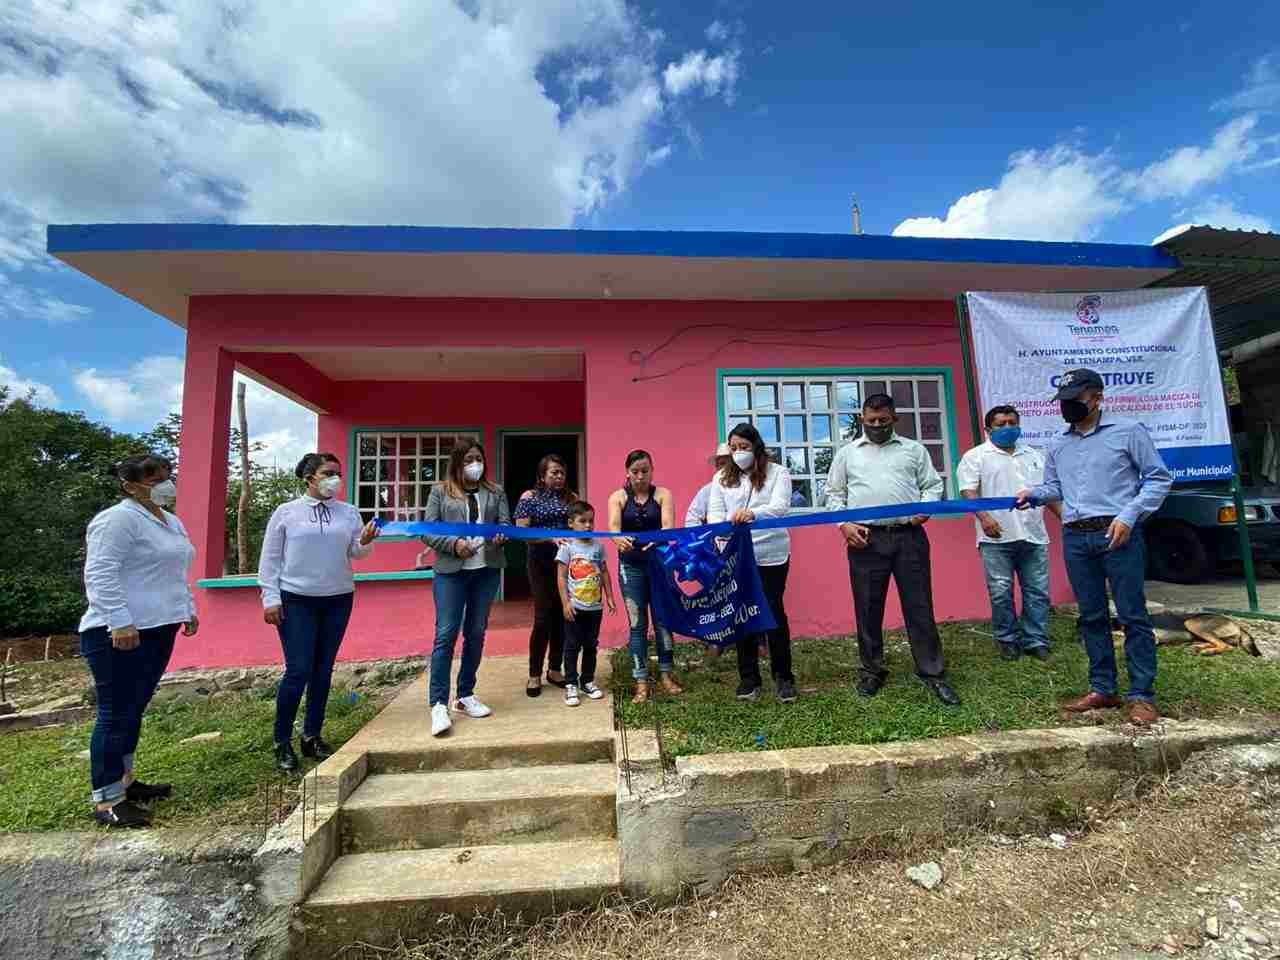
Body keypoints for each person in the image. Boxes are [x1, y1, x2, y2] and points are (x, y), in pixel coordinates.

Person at [1016, 368, 1172, 726]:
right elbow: (1054, 486)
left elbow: (1158, 478)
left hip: (1118, 534)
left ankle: (1142, 695)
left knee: (1132, 615)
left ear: (1097, 398)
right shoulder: (1058, 443)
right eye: (1063, 402)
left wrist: (1130, 515)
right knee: (1091, 616)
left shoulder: (1129, 432)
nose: (1067, 408)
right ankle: (1103, 687)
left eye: (1075, 401)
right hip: (1076, 536)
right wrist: (1034, 493)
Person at [79, 453, 197, 828]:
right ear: (130, 485)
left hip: (159, 626)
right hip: (118, 633)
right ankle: (107, 800)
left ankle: (126, 781)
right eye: (153, 477)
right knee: (115, 713)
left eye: (167, 474)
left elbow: (176, 571)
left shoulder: (171, 521)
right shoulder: (117, 520)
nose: (165, 482)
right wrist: (119, 621)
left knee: (134, 708)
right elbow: (99, 572)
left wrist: (187, 607)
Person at [825, 393, 960, 706]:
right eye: (870, 421)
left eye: (882, 421)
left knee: (919, 606)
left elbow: (932, 486)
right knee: (868, 608)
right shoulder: (847, 454)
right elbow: (834, 495)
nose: (876, 426)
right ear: (862, 420)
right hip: (865, 540)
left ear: (894, 419)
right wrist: (844, 526)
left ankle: (932, 672)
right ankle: (872, 670)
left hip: (908, 537)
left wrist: (926, 509)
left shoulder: (913, 450)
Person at [259, 453, 380, 771]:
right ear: (309, 477)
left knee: (323, 670)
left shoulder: (348, 512)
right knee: (298, 670)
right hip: (296, 599)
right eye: (328, 473)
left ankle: (312, 735)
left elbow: (356, 552)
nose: (335, 479)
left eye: (338, 473)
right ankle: (281, 741)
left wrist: (365, 540)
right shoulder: (287, 513)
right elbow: (270, 559)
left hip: (338, 598)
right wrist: (270, 598)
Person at [957, 405, 1062, 662]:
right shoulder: (976, 456)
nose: (1007, 428)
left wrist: (1066, 518)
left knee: (1038, 591)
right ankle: (1007, 639)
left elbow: (1046, 492)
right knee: (1001, 590)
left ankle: (1036, 640)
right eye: (1001, 424)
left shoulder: (1034, 455)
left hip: (1033, 533)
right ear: (988, 429)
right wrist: (985, 518)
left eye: (1012, 422)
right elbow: (968, 491)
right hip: (996, 536)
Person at [419, 441, 510, 737]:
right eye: (469, 459)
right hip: (451, 573)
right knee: (446, 634)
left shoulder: (496, 491)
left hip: (485, 572)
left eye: (479, 458)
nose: (476, 463)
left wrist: (501, 535)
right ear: (457, 463)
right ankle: (438, 704)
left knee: (476, 633)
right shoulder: (439, 492)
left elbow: (505, 524)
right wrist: (454, 545)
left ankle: (465, 694)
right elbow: (428, 531)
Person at [709, 423, 796, 703]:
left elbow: (780, 507)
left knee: (773, 613)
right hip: (737, 555)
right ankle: (749, 678)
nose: (738, 453)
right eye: (733, 448)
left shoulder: (778, 472)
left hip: (771, 553)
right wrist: (724, 533)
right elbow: (714, 514)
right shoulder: (722, 477)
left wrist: (752, 514)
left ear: (756, 446)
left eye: (744, 447)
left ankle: (784, 677)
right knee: (741, 614)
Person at [608, 450, 683, 703]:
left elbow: (668, 528)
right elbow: (614, 531)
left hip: (660, 564)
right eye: (635, 472)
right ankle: (640, 680)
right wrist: (619, 541)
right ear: (627, 472)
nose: (640, 476)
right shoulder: (617, 498)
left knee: (663, 621)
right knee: (636, 624)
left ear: (652, 470)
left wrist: (658, 540)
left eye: (645, 471)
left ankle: (666, 675)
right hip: (630, 567)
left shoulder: (663, 495)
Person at [514, 454, 576, 697]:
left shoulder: (572, 498)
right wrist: (550, 537)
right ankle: (534, 674)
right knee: (542, 618)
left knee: (564, 615)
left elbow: (581, 525)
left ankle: (555, 669)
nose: (559, 477)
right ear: (542, 475)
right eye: (554, 473)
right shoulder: (529, 497)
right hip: (539, 562)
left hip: (566, 563)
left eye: (562, 473)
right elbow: (521, 533)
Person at [557, 501, 617, 707]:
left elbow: (605, 572)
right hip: (575, 607)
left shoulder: (598, 546)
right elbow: (562, 577)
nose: (588, 525)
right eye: (582, 521)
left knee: (591, 645)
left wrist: (609, 597)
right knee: (572, 646)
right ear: (571, 523)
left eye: (591, 521)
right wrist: (565, 603)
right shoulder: (567, 547)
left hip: (595, 608)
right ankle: (571, 684)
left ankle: (587, 681)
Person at [685, 443, 732, 527]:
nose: (725, 467)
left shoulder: (744, 485)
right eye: (721, 464)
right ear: (716, 467)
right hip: (715, 536)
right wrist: (704, 537)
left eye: (728, 463)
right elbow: (692, 519)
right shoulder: (707, 490)